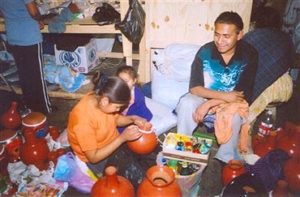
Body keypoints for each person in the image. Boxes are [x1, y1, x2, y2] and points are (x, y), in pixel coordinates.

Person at [176, 11, 258, 163]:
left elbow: (240, 96)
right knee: (186, 103)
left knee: (233, 116)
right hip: (205, 97)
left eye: (226, 36)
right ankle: (182, 148)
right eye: (217, 34)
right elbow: (194, 88)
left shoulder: (249, 55)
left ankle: (226, 159)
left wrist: (210, 103)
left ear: (239, 35)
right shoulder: (205, 52)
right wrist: (220, 97)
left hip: (230, 103)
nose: (220, 41)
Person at [67, 75, 157, 189]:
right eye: (117, 107)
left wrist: (133, 118)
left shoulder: (100, 99)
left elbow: (115, 119)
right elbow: (93, 157)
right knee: (138, 181)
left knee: (148, 158)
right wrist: (122, 138)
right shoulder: (83, 120)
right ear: (105, 101)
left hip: (113, 142)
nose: (119, 110)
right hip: (98, 157)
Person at [0, 0, 52, 114]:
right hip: (29, 37)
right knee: (36, 77)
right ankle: (44, 110)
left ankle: (30, 108)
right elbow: (33, 12)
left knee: (24, 76)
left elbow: (2, 12)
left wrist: (14, 15)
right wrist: (39, 19)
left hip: (13, 36)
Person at [116, 65, 153, 133]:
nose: (123, 84)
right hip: (120, 116)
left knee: (125, 130)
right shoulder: (115, 91)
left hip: (134, 114)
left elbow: (141, 109)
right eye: (120, 81)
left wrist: (143, 121)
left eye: (126, 81)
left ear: (134, 81)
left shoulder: (137, 95)